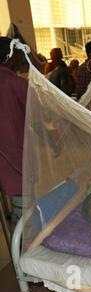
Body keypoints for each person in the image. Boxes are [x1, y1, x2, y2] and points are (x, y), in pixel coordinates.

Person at [0, 37, 28, 222]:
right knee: (22, 198)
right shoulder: (16, 83)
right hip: (13, 154)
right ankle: (22, 238)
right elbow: (34, 118)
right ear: (10, 58)